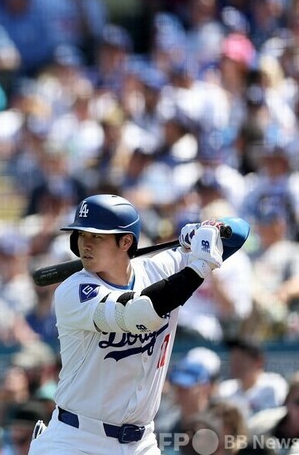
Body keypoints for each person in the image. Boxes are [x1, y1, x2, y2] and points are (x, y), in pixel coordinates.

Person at [29, 193, 238, 454]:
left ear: (126, 241)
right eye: (81, 234)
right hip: (76, 439)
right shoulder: (73, 291)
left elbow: (239, 232)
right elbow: (140, 313)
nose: (85, 244)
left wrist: (205, 230)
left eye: (97, 236)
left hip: (141, 442)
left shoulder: (157, 269)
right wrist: (198, 267)